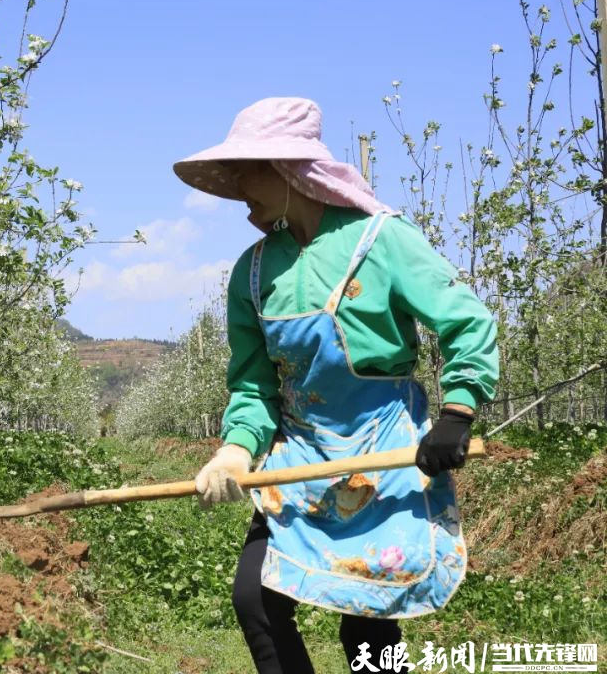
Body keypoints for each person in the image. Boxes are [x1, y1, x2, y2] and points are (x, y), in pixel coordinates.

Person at [173, 97, 499, 674]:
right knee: (256, 598)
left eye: (243, 169)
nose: (234, 184)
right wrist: (234, 449)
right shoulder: (251, 272)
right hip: (298, 458)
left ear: (286, 170)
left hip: (384, 452)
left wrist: (457, 411)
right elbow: (253, 386)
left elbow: (465, 319)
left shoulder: (382, 241)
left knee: (368, 624)